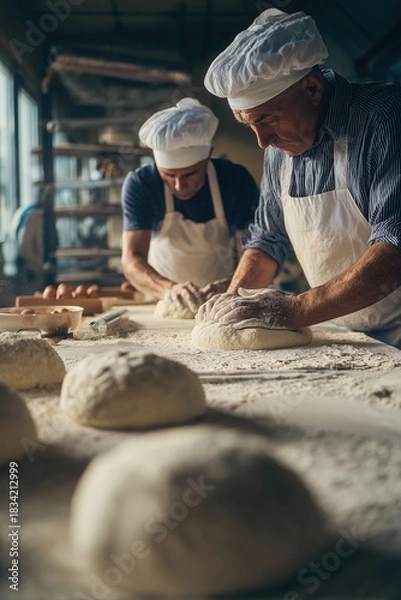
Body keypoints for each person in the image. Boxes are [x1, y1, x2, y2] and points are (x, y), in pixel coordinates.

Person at [199, 8, 401, 348]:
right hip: (343, 333)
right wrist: (232, 305)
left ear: (312, 88)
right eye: (247, 124)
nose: (262, 141)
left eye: (267, 118)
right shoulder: (279, 150)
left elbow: (395, 249)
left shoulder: (383, 121)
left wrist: (293, 309)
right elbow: (266, 241)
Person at [121, 98, 259, 313]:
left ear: (209, 155)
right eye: (168, 175)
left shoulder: (234, 180)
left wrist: (231, 286)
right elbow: (132, 259)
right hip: (163, 300)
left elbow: (254, 253)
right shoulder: (142, 183)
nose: (179, 185)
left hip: (224, 300)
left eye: (190, 174)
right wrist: (169, 289)